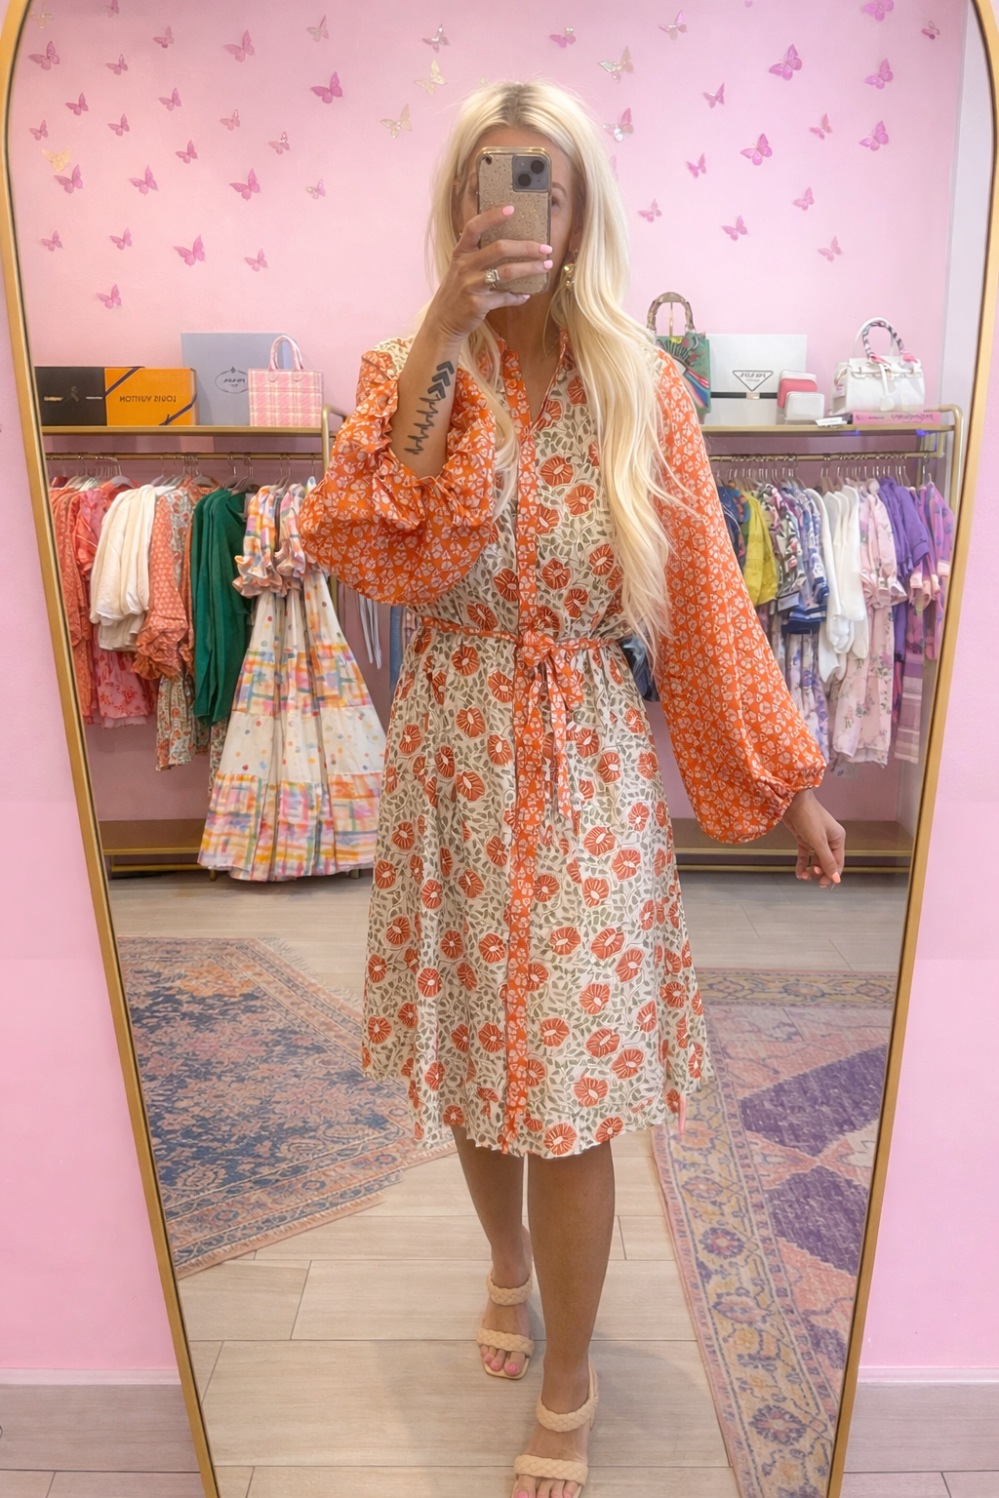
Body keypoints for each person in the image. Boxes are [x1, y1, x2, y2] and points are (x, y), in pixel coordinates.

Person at [301, 78, 845, 1498]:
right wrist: (442, 333)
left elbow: (707, 604)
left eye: (534, 178)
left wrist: (784, 782)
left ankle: (570, 1369)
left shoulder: (639, 386)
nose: (508, 207)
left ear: (578, 202)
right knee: (486, 1063)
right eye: (485, 180)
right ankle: (500, 1258)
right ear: (455, 203)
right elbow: (364, 539)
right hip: (456, 750)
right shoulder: (408, 374)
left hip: (590, 751)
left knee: (578, 1087)